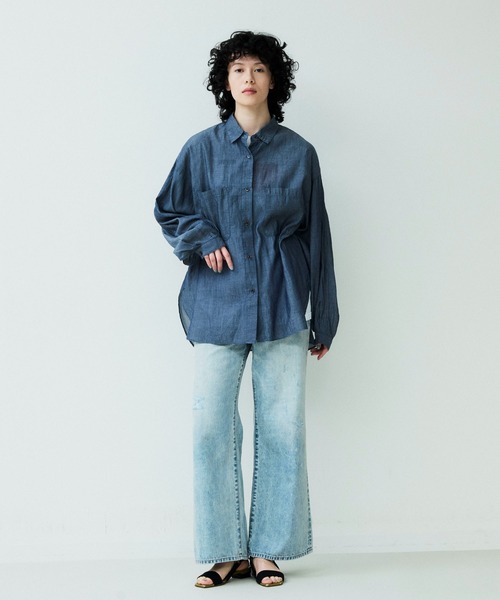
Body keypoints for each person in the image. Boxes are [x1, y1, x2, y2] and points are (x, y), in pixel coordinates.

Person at [154, 30, 339, 588]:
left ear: (273, 80)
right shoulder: (200, 149)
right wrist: (203, 236)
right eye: (238, 69)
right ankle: (224, 551)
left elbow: (318, 237)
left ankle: (268, 551)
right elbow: (169, 210)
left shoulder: (299, 153)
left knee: (282, 428)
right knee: (210, 427)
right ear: (226, 82)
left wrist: (324, 316)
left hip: (283, 303)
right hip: (216, 304)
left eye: (258, 68)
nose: (248, 78)